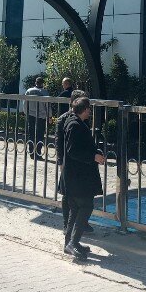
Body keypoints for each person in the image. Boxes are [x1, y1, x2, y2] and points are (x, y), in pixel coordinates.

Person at [61, 96, 104, 260]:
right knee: (85, 206)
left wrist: (95, 152)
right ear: (85, 109)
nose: (90, 111)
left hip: (75, 176)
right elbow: (73, 150)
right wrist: (93, 157)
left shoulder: (75, 122)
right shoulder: (75, 125)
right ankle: (73, 242)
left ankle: (70, 243)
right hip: (78, 176)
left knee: (75, 209)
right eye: (89, 108)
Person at [55, 90, 94, 236]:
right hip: (69, 162)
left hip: (82, 163)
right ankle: (68, 225)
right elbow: (59, 142)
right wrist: (61, 161)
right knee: (68, 194)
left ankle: (81, 222)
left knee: (83, 193)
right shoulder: (64, 119)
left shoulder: (83, 118)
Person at [23, 76, 51, 159]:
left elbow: (25, 103)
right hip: (41, 116)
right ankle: (38, 153)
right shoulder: (45, 92)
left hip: (31, 115)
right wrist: (49, 116)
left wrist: (26, 112)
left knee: (31, 134)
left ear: (35, 82)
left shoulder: (29, 91)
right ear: (43, 83)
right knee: (40, 135)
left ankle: (31, 152)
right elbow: (47, 105)